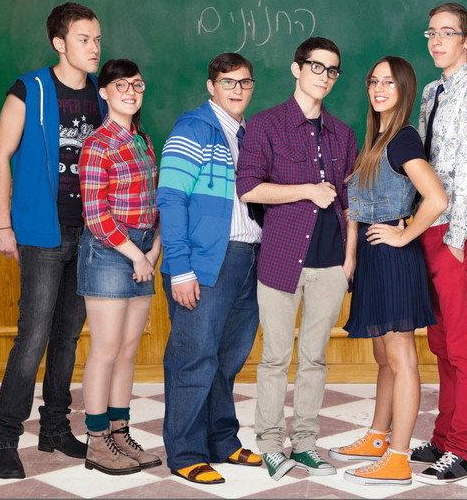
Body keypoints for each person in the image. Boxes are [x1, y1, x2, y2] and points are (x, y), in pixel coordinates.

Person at [0, 2, 107, 479]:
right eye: (84, 39)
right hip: (43, 232)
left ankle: (55, 426)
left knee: (67, 335)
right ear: (59, 43)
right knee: (33, 335)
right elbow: (0, 155)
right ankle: (5, 436)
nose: (94, 48)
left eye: (97, 39)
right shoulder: (30, 89)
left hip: (90, 232)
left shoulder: (101, 96)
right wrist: (3, 224)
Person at [237, 37, 359, 480]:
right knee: (275, 358)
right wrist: (307, 190)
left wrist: (349, 259)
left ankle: (305, 443)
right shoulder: (265, 125)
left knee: (314, 358)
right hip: (281, 260)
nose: (324, 76)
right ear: (296, 68)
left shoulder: (343, 133)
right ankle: (271, 445)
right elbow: (248, 189)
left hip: (331, 263)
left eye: (332, 70)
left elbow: (351, 202)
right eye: (316, 67)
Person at [331, 56, 448, 486]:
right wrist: (351, 257)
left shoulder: (402, 139)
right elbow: (357, 210)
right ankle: (378, 436)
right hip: (372, 257)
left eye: (389, 83)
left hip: (394, 258)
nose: (379, 89)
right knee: (384, 357)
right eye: (373, 81)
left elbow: (436, 198)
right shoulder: (377, 139)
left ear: (404, 90)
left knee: (401, 360)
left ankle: (398, 458)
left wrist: (404, 234)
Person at [156, 53, 265, 484]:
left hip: (247, 258)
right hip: (205, 262)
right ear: (211, 86)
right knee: (193, 357)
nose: (237, 90)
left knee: (228, 358)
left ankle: (222, 440)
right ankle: (185, 452)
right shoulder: (193, 128)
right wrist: (181, 269)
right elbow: (170, 198)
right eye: (227, 82)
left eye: (245, 82)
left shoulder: (249, 134)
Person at [411, 2, 467, 485]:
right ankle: (444, 436)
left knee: (464, 344)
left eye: (447, 33)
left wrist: (458, 236)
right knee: (442, 341)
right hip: (427, 225)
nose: (437, 41)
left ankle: (463, 449)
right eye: (431, 32)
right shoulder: (432, 92)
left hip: (456, 231)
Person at [74, 58, 162, 475]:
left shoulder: (143, 140)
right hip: (111, 251)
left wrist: (154, 247)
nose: (130, 92)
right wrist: (137, 255)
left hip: (143, 249)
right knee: (106, 349)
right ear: (104, 93)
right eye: (121, 85)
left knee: (128, 349)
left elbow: (154, 201)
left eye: (137, 85)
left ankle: (119, 431)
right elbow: (96, 215)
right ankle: (96, 441)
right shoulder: (97, 144)